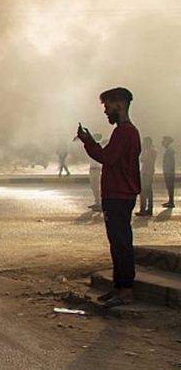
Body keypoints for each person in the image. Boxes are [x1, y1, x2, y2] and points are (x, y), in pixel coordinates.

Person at [77, 87, 141, 307]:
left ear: (120, 105)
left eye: (107, 106)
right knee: (117, 242)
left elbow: (107, 157)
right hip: (120, 194)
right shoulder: (127, 132)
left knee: (121, 243)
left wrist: (88, 141)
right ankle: (119, 287)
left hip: (119, 195)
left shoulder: (125, 132)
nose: (106, 112)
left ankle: (125, 290)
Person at [137, 136, 157, 217]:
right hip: (145, 172)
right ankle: (147, 209)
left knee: (145, 192)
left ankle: (144, 209)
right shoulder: (147, 150)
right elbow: (141, 159)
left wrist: (145, 152)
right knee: (147, 191)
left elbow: (147, 160)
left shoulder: (152, 151)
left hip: (148, 172)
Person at [86, 132, 103, 211]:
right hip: (92, 168)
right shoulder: (93, 147)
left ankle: (99, 203)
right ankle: (97, 202)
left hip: (97, 169)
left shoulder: (98, 147)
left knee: (97, 187)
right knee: (94, 187)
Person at [162, 136, 175, 209]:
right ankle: (170, 201)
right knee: (169, 186)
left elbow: (171, 161)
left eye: (164, 140)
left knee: (170, 186)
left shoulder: (170, 149)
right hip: (168, 170)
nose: (162, 142)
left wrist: (171, 170)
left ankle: (171, 201)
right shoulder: (168, 149)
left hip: (169, 171)